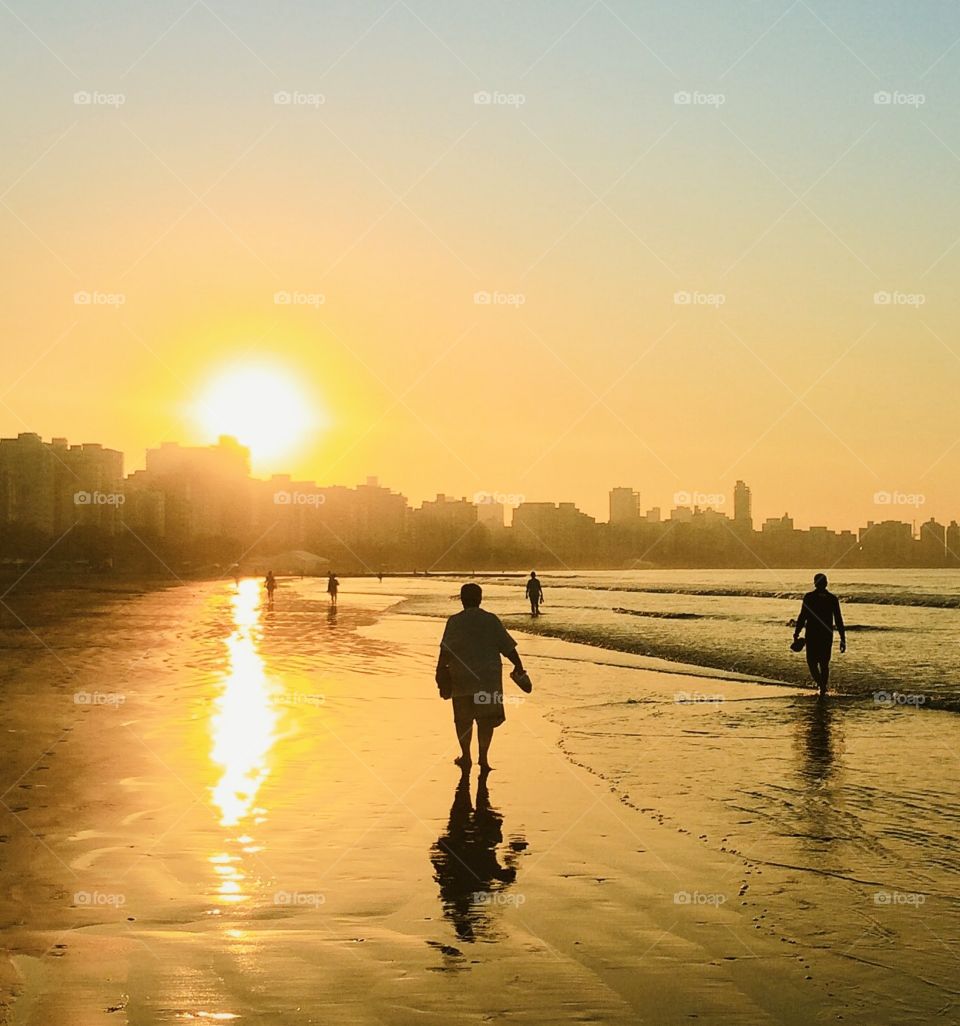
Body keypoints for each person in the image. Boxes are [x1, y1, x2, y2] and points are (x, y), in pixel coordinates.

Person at [436, 583, 528, 772]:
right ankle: (483, 759)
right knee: (485, 720)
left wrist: (439, 671)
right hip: (487, 679)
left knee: (463, 720)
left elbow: (446, 651)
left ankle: (466, 756)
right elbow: (508, 647)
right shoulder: (491, 620)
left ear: (462, 599)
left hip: (461, 678)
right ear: (480, 599)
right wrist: (519, 666)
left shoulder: (454, 621)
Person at [793, 573, 846, 697]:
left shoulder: (809, 597)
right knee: (824, 664)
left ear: (815, 583)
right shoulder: (832, 599)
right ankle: (823, 687)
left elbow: (802, 616)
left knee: (812, 662)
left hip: (812, 634)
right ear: (826, 583)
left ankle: (821, 686)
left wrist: (797, 632)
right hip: (826, 635)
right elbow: (839, 620)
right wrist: (843, 639)